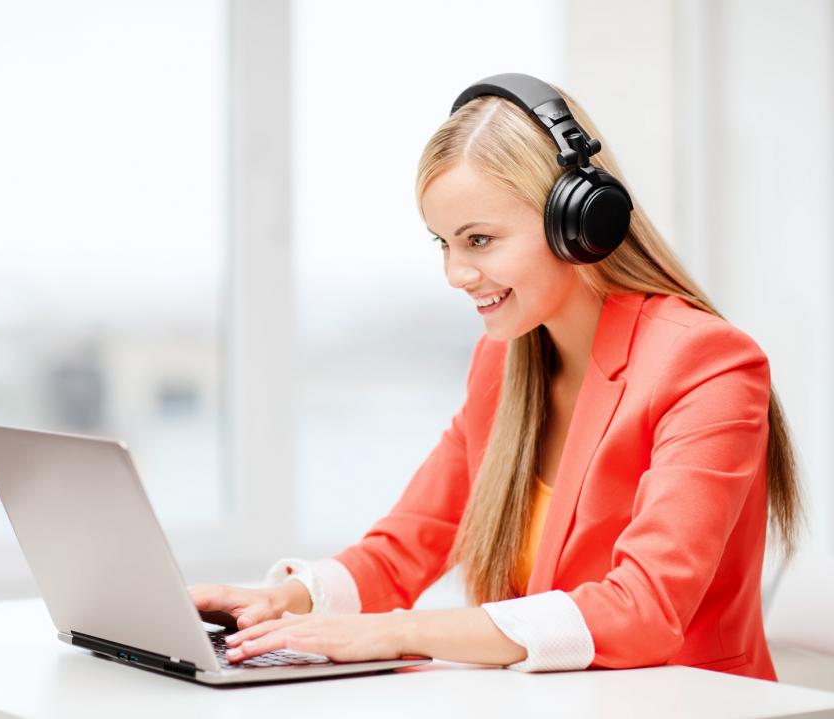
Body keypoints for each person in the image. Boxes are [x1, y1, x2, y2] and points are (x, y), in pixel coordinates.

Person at [189, 73, 802, 679]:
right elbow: (406, 546)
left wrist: (394, 632)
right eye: (444, 244)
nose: (456, 273)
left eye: (479, 240)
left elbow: (643, 609)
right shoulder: (502, 364)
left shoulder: (706, 364)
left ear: (581, 223)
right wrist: (281, 603)